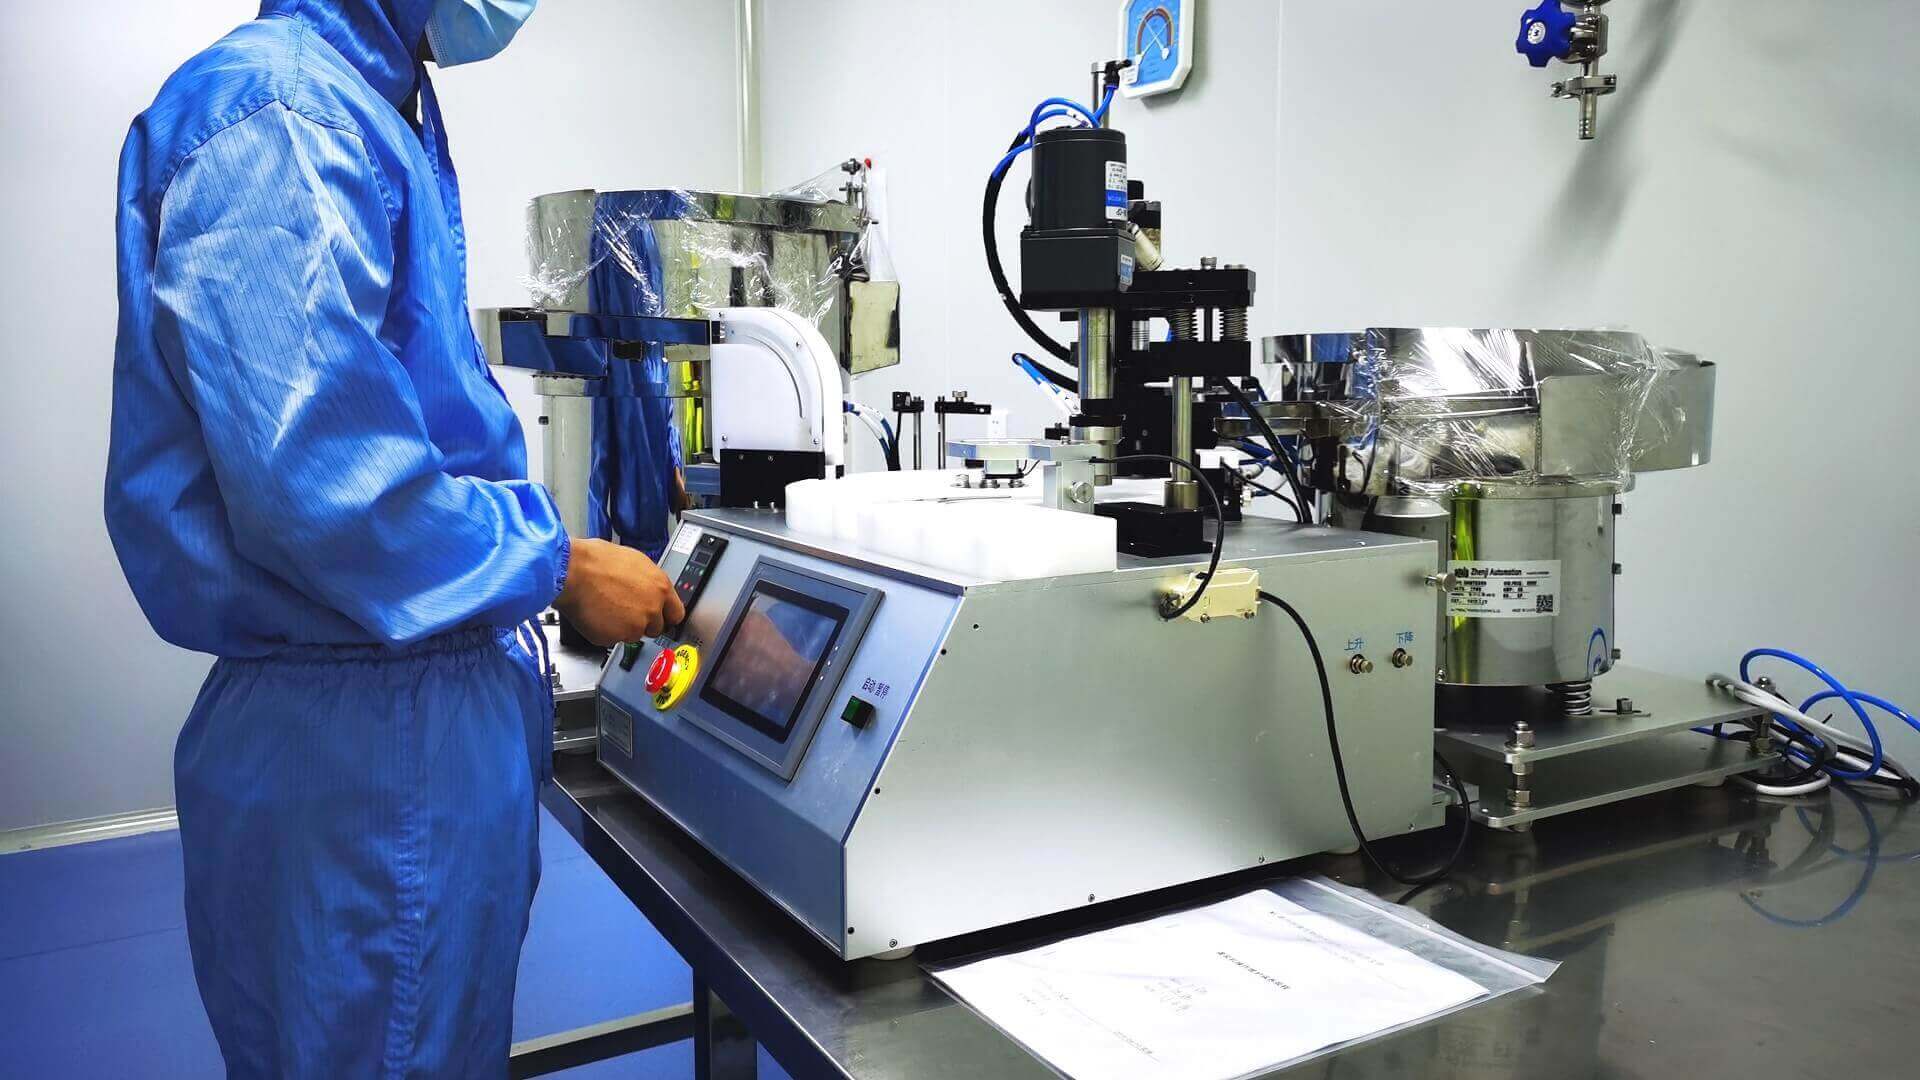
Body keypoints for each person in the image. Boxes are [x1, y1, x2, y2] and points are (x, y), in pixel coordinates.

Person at [105, 1, 683, 1075]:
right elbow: (325, 486)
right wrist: (558, 565)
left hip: (393, 723)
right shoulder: (283, 113)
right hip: (371, 754)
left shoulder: (372, 101)